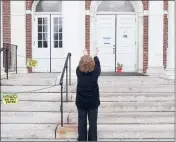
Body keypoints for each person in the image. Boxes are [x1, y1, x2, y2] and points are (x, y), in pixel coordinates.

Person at [76, 48, 101, 141]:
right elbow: (98, 64)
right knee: (93, 123)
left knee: (81, 122)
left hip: (81, 103)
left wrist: (84, 55)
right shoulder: (95, 72)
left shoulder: (79, 72)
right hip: (93, 103)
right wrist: (95, 55)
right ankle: (92, 139)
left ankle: (82, 139)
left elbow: (80, 64)